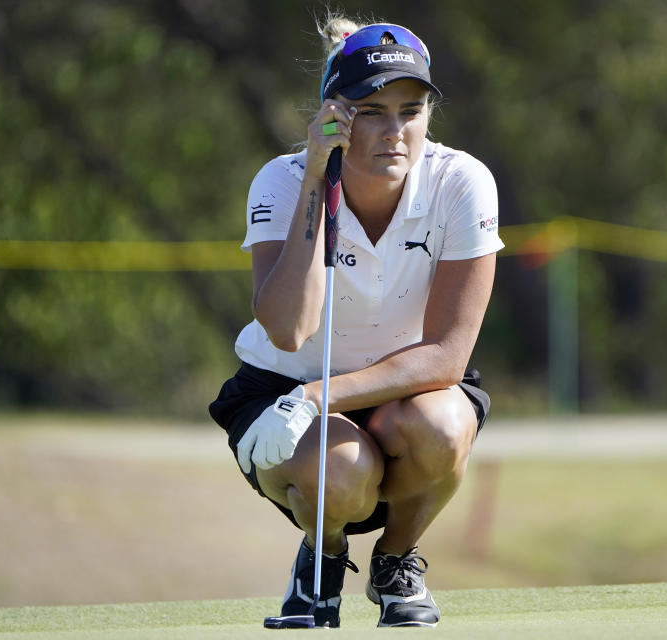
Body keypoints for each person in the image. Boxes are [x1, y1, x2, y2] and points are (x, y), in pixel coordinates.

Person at [208, 15, 503, 629]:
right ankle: (325, 553)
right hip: (281, 389)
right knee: (340, 471)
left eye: (411, 110)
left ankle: (396, 561)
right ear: (335, 114)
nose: (395, 131)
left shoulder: (461, 181)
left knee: (446, 428)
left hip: (398, 392)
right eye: (372, 111)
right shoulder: (284, 180)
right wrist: (320, 174)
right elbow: (291, 328)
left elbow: (447, 357)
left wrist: (317, 399)